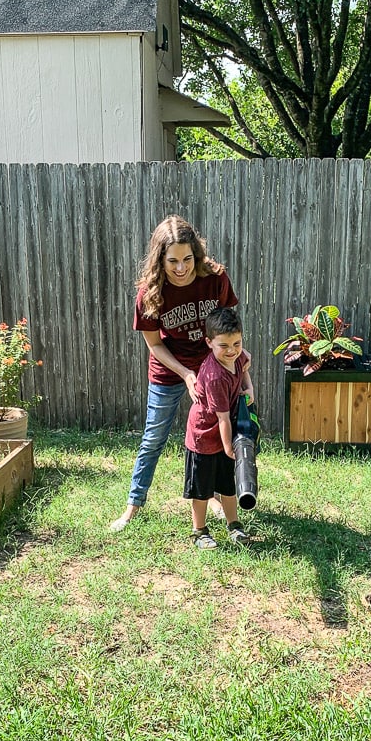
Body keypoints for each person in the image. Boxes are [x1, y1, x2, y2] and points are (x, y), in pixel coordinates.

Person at [110, 215, 239, 532]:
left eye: (187, 259)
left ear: (196, 254)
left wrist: (232, 357)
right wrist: (185, 373)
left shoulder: (216, 278)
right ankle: (132, 506)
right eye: (172, 261)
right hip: (170, 368)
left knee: (214, 436)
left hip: (212, 367)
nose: (181, 268)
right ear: (160, 260)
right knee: (153, 438)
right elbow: (154, 345)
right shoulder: (150, 294)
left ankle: (215, 499)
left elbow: (227, 325)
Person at [183, 307, 254, 549]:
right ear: (209, 343)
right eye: (224, 345)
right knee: (202, 489)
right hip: (204, 436)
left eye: (237, 342)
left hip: (225, 435)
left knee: (228, 484)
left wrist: (249, 389)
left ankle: (234, 524)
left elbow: (245, 367)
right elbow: (223, 418)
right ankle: (199, 530)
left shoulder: (239, 356)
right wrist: (228, 448)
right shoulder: (214, 376)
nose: (232, 350)